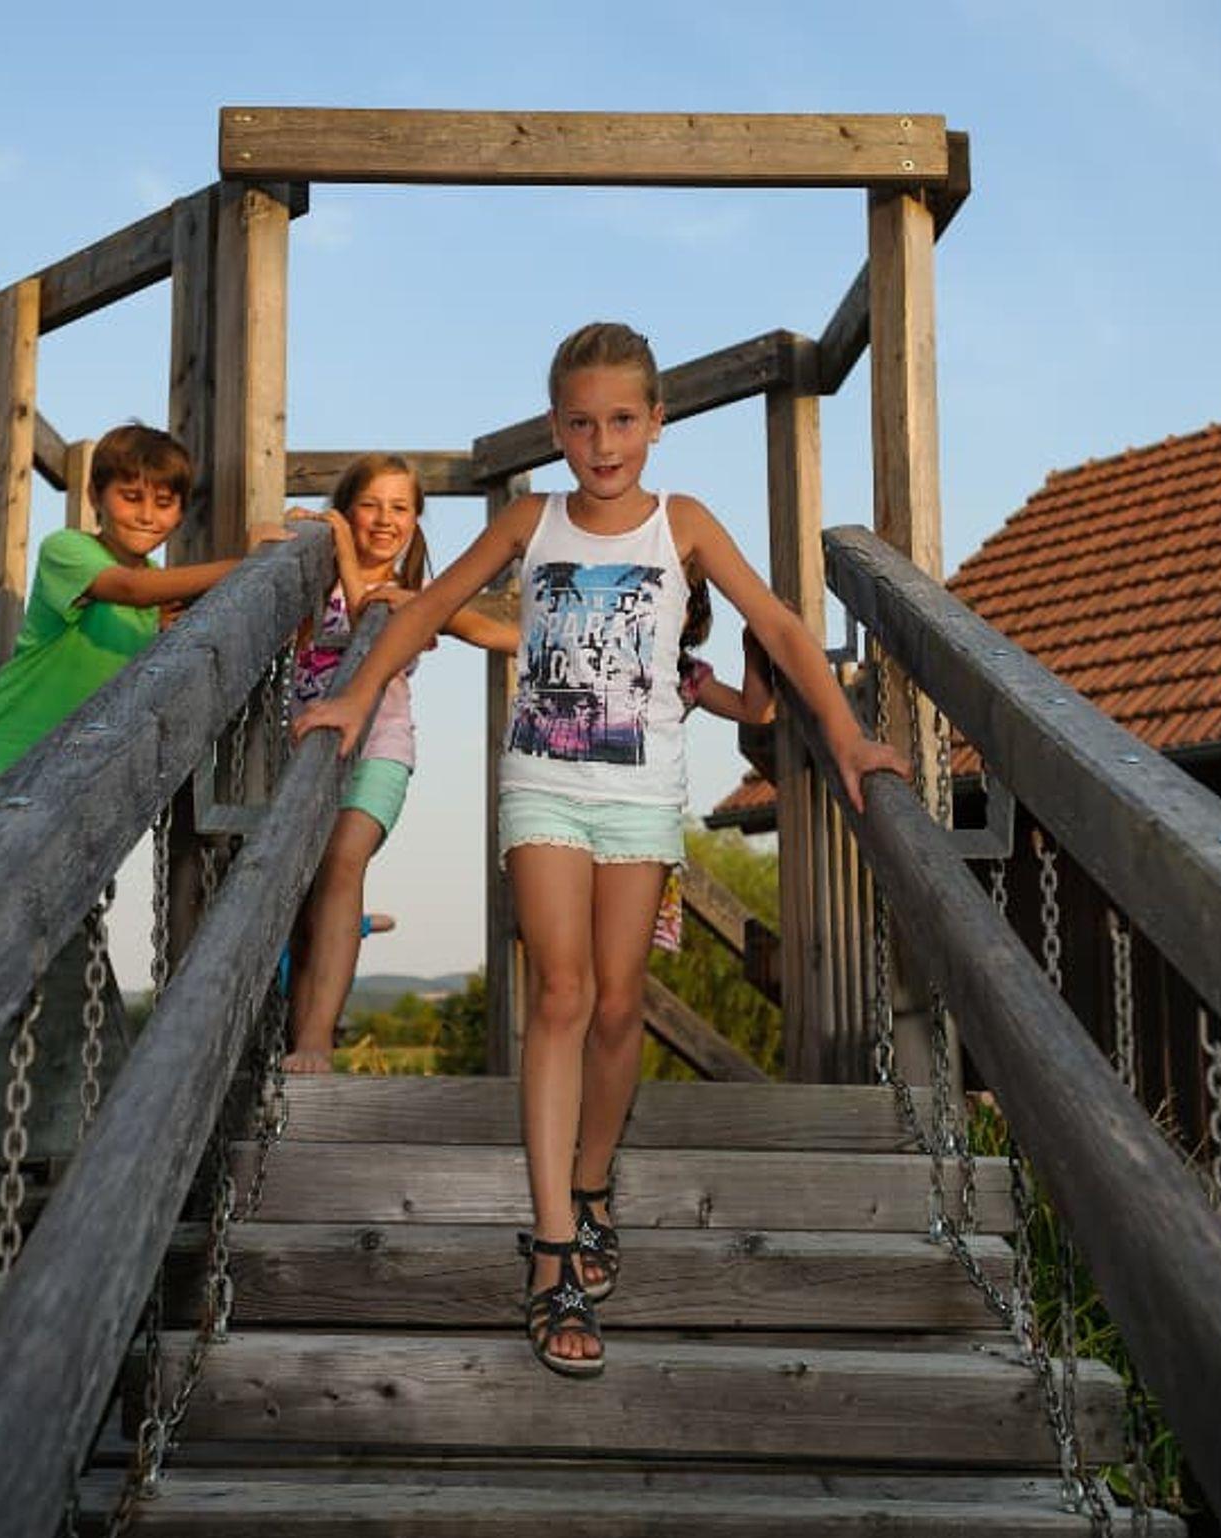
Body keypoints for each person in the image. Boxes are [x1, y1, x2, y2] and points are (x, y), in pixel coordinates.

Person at [292, 323, 908, 1378]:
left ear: (656, 422)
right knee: (564, 992)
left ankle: (590, 1180)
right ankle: (551, 1248)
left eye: (622, 420)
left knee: (620, 1003)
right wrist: (353, 697)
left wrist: (848, 740)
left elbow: (778, 626)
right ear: (555, 428)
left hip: (639, 793)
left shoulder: (683, 523)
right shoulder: (530, 521)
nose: (603, 442)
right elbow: (429, 607)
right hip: (543, 782)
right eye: (580, 423)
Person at [282, 454, 517, 1073]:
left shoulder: (414, 600)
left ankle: (316, 1041)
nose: (385, 519)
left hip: (380, 751)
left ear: (416, 520)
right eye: (369, 506)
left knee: (343, 865)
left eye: (400, 508)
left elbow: (484, 631)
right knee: (302, 903)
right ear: (345, 509)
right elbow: (259, 554)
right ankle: (293, 1041)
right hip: (302, 757)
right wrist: (302, 535)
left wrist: (340, 538)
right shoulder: (311, 580)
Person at [0, 423, 288, 829]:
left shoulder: (157, 589)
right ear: (94, 496)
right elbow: (130, 588)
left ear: (180, 512)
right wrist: (251, 564)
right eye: (131, 497)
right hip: (0, 766)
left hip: (69, 784)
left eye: (164, 503)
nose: (147, 515)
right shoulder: (68, 550)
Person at [650, 570, 775, 952]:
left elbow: (755, 711)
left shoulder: (687, 675)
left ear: (692, 613)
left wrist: (752, 650)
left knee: (625, 951)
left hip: (647, 819)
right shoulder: (599, 655)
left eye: (676, 600)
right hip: (586, 807)